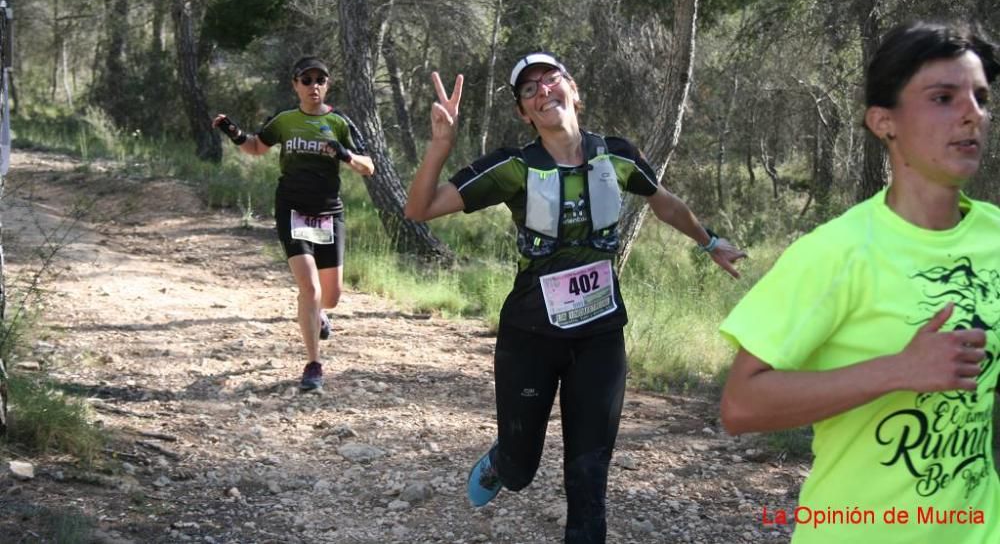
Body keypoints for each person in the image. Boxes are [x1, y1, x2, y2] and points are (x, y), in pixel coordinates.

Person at [404, 52, 745, 543]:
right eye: (529, 90)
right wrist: (441, 144)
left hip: (600, 335)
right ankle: (505, 458)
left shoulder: (617, 155)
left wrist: (709, 242)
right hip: (530, 337)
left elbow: (663, 201)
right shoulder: (513, 167)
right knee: (522, 471)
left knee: (589, 477)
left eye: (551, 79)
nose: (542, 91)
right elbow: (420, 209)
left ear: (574, 90)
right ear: (525, 114)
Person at [719, 21, 1000, 543]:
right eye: (943, 97)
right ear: (883, 121)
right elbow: (741, 405)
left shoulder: (995, 237)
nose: (972, 115)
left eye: (981, 98)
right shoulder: (837, 252)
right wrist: (898, 370)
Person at [212, 56, 375, 391]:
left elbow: (368, 166)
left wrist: (344, 154)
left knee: (330, 297)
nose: (313, 86)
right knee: (310, 288)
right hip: (293, 209)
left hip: (329, 213)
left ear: (327, 85)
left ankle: (319, 314)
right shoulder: (285, 121)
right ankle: (313, 364)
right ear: (295, 84)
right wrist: (232, 131)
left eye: (320, 80)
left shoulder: (340, 122)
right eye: (306, 80)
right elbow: (257, 146)